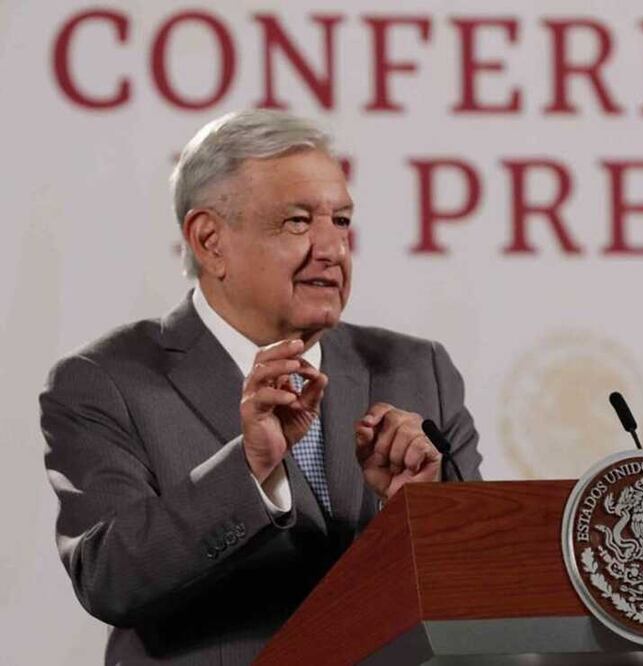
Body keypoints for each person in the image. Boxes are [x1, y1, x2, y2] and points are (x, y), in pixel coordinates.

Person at [39, 110, 482, 664]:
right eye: (297, 222)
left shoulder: (417, 370)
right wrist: (250, 470)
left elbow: (481, 581)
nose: (332, 249)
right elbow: (109, 578)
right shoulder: (106, 381)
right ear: (210, 241)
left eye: (341, 221)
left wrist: (419, 508)